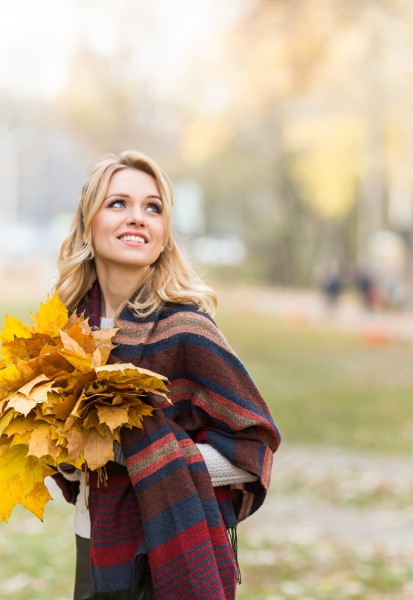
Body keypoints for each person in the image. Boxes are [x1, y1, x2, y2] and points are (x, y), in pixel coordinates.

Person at [51, 150, 281, 600]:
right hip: (95, 548)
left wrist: (143, 455)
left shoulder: (186, 328)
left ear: (163, 234)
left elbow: (253, 452)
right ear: (87, 224)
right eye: (118, 203)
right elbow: (75, 470)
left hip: (170, 552)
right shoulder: (68, 335)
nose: (137, 217)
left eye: (152, 207)